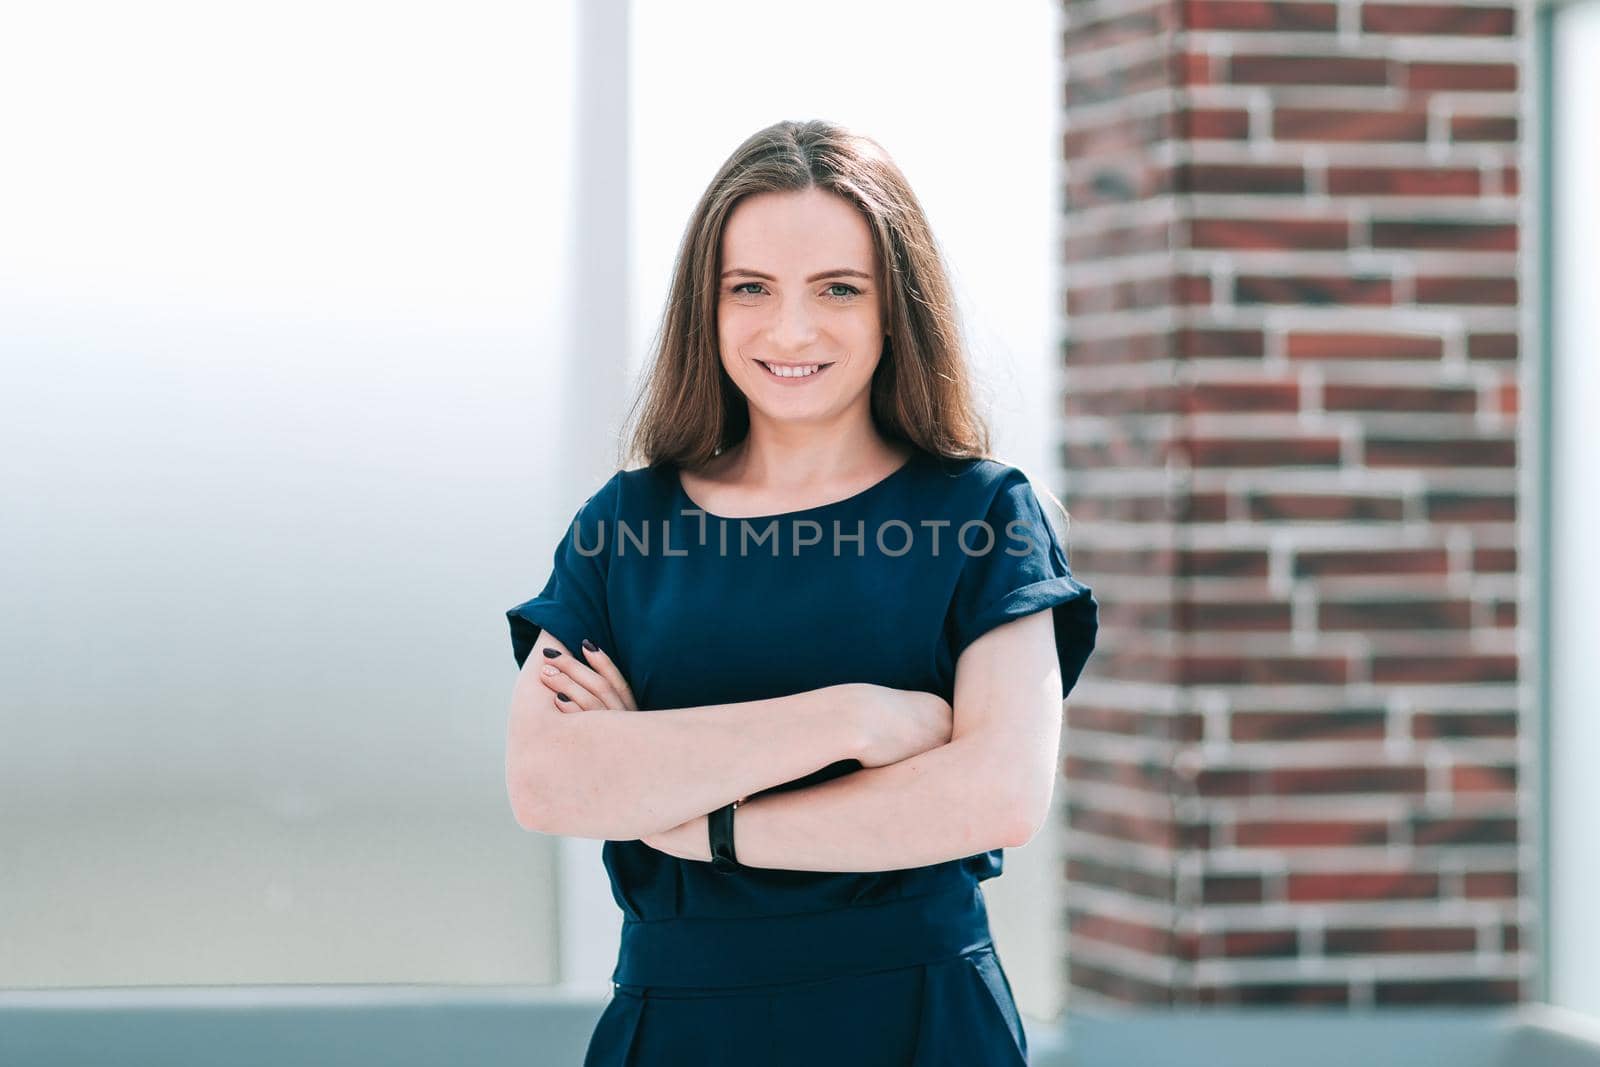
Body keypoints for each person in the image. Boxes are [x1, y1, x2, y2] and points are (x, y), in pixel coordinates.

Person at [504, 119, 1098, 1066]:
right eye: (751, 288)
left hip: (916, 1017)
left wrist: (696, 820)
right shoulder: (627, 522)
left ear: (895, 308)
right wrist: (849, 720)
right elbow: (550, 780)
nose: (791, 329)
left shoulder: (984, 515)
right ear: (708, 304)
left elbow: (995, 795)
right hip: (682, 1020)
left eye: (837, 289)